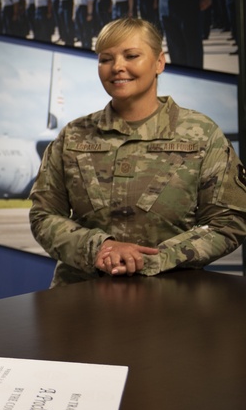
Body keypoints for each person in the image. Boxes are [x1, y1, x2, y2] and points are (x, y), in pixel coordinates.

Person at [29, 18, 246, 288]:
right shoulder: (73, 136)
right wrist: (100, 249)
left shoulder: (201, 134)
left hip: (172, 298)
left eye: (131, 56)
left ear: (159, 62)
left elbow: (228, 221)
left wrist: (156, 259)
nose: (118, 67)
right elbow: (43, 216)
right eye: (105, 59)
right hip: (80, 298)